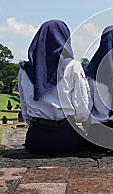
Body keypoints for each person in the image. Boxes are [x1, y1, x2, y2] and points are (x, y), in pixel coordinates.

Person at [18, 19, 91, 154]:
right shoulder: (73, 67)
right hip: (66, 138)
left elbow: (25, 110)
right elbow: (82, 110)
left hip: (36, 139)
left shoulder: (25, 70)